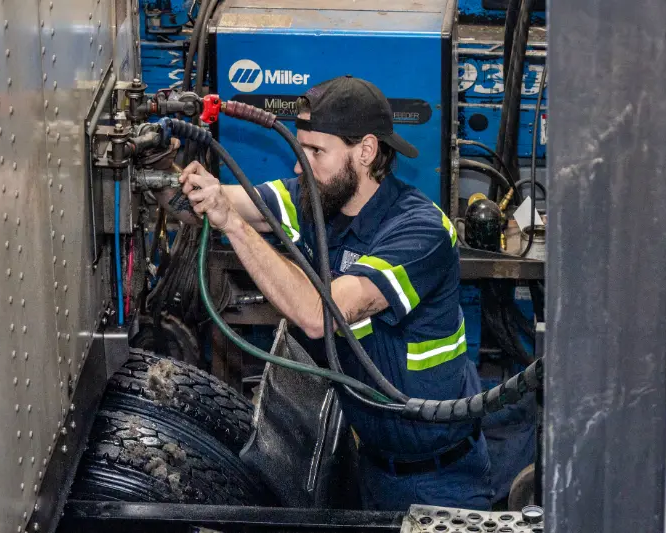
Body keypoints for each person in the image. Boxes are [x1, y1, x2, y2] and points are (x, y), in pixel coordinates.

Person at [158, 75, 493, 510]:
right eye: (301, 149)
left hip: (442, 480)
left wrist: (234, 225)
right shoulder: (313, 198)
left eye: (316, 152)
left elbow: (321, 316)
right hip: (371, 467)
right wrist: (161, 168)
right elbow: (206, 200)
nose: (300, 165)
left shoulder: (419, 231)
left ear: (366, 152)